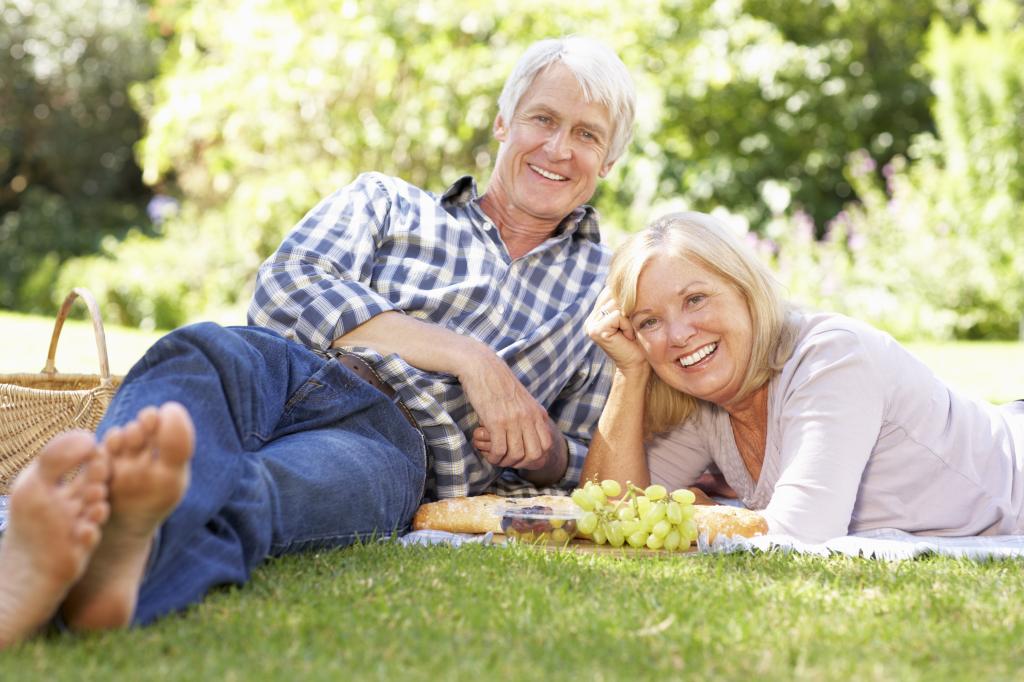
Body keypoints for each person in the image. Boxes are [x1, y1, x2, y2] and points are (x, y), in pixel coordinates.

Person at [1, 35, 635, 637]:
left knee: (263, 494)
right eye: (542, 119)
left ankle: (74, 566)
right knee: (199, 353)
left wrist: (541, 446)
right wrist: (471, 359)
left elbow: (585, 464)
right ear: (504, 123)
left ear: (607, 160)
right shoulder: (386, 201)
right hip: (282, 369)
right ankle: (96, 536)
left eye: (586, 134)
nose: (558, 148)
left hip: (392, 442)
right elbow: (285, 288)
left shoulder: (604, 293)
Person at [582, 211, 1024, 544]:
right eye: (649, 322)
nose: (678, 335)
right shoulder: (707, 396)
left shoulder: (831, 357)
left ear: (745, 289)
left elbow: (799, 535)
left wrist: (696, 513)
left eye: (696, 299)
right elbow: (607, 509)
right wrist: (631, 371)